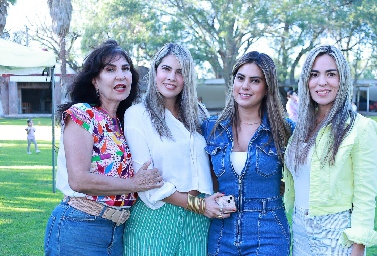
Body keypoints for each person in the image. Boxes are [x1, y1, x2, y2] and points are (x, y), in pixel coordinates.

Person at [44, 39, 163, 256]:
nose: (121, 75)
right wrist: (133, 184)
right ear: (95, 81)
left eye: (125, 69)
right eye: (110, 70)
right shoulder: (82, 114)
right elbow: (78, 180)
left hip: (117, 231)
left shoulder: (124, 121)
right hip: (79, 227)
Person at [123, 43, 230, 256]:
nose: (172, 77)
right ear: (155, 71)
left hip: (198, 222)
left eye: (180, 72)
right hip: (156, 219)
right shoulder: (137, 114)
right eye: (166, 69)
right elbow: (148, 182)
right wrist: (199, 205)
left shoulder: (198, 114)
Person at [284, 45, 377, 256]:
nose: (322, 82)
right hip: (299, 232)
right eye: (314, 74)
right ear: (306, 81)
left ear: (343, 80)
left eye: (331, 74)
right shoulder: (300, 128)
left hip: (336, 235)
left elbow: (365, 196)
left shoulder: (360, 128)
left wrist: (358, 248)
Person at [202, 51, 294, 255]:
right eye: (240, 78)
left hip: (269, 233)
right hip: (221, 234)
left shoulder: (284, 130)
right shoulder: (211, 128)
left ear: (266, 87)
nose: (245, 86)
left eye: (255, 81)